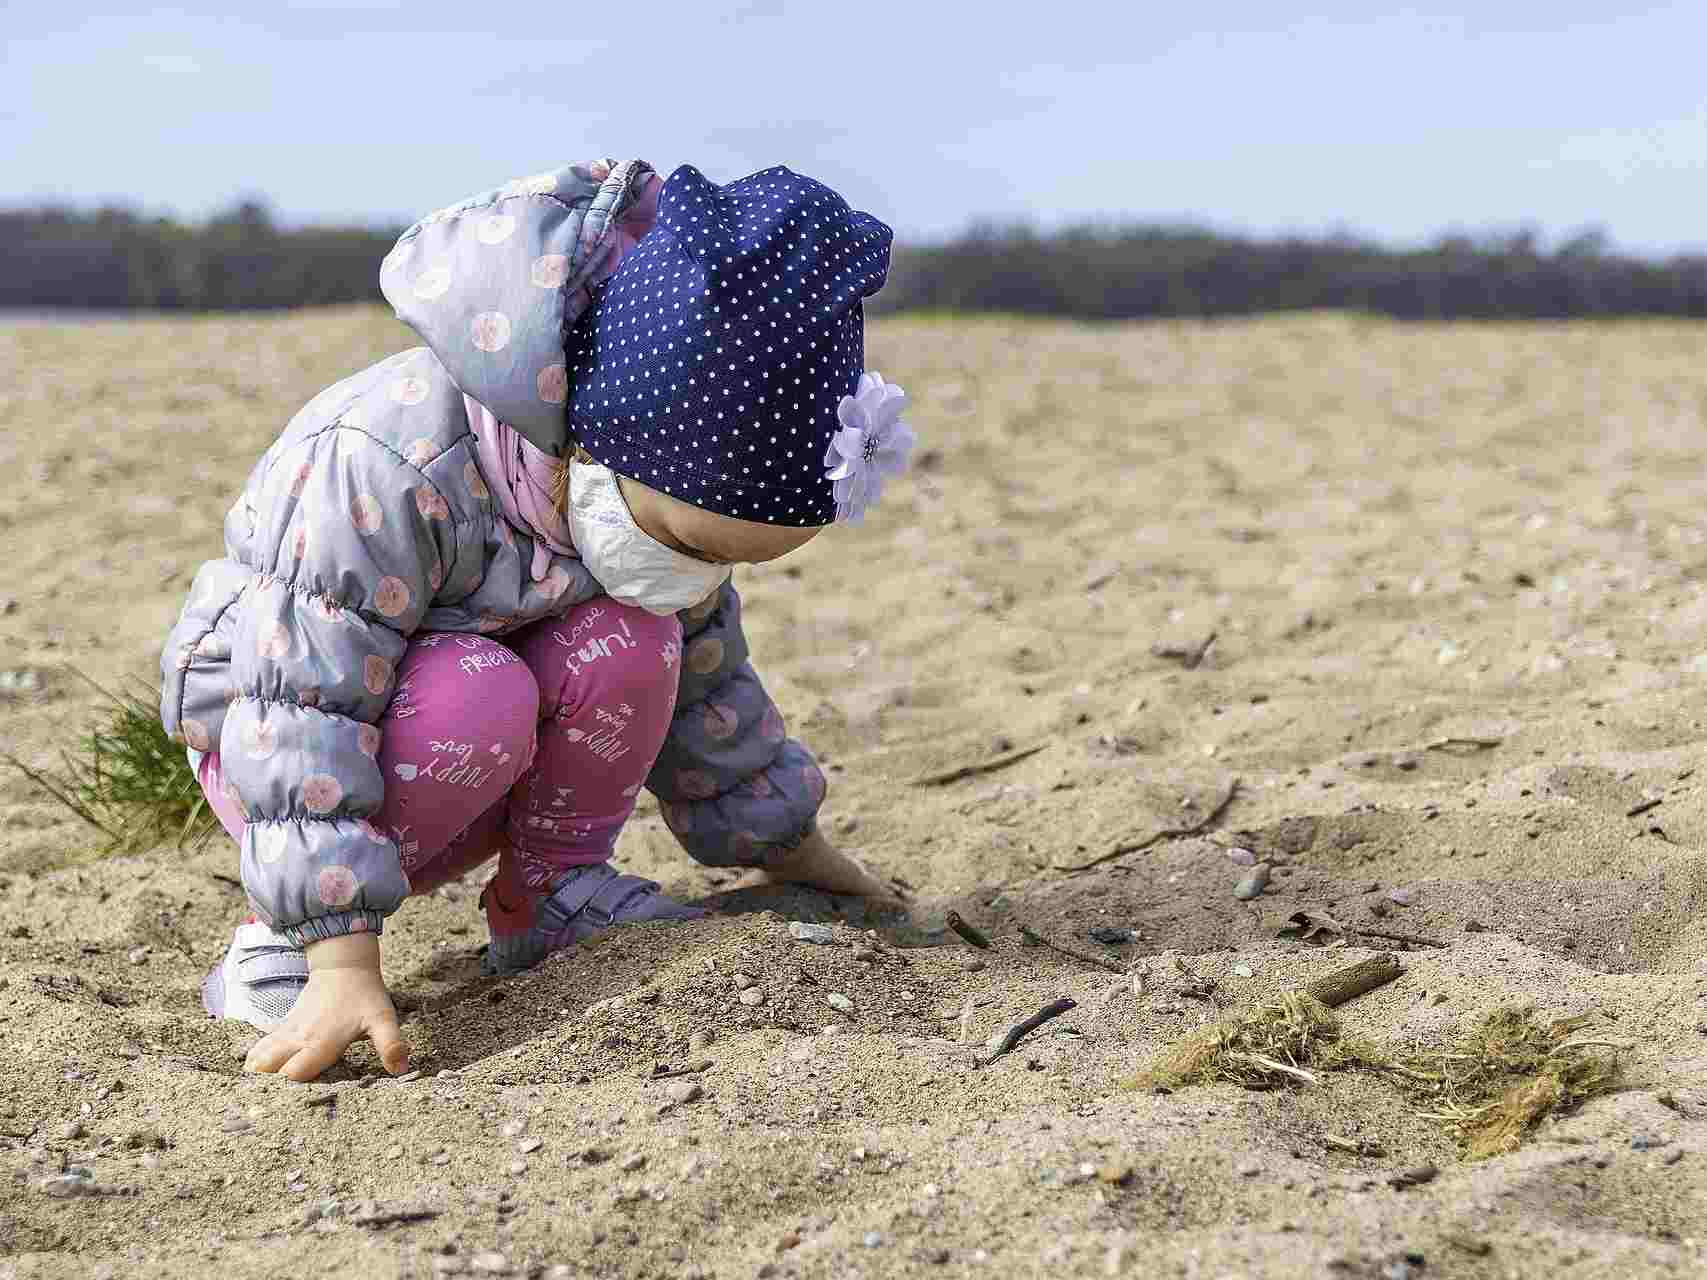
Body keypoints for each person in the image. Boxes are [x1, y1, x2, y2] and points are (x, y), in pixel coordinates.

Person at [158, 158, 916, 1082]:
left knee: (642, 634)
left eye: (729, 558)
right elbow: (299, 698)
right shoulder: (385, 463)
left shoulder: (649, 505)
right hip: (280, 743)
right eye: (684, 537)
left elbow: (710, 684)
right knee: (482, 687)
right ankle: (269, 945)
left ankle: (553, 893)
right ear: (595, 438)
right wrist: (339, 954)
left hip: (486, 731)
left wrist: (790, 845)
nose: (698, 570)